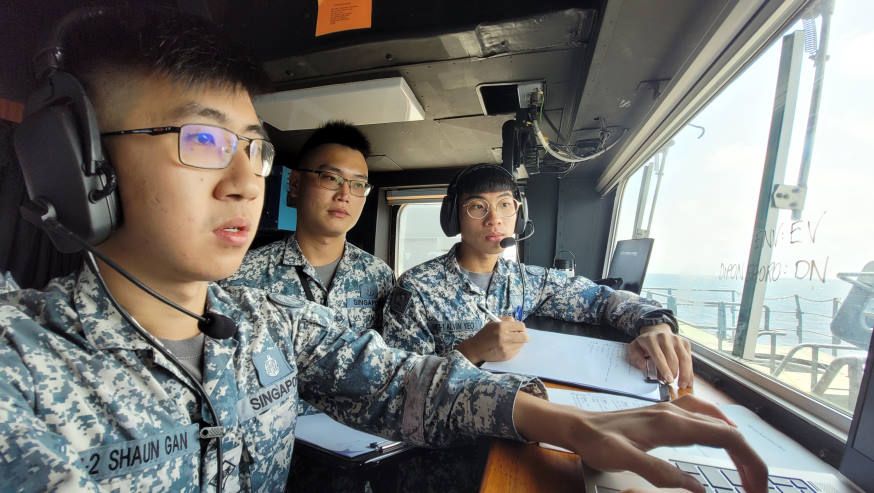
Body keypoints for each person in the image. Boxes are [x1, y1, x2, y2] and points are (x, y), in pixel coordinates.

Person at [0, 6, 766, 493]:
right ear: (79, 169)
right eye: (203, 139)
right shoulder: (21, 360)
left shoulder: (265, 324)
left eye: (255, 149)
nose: (244, 180)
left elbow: (409, 380)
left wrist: (565, 422)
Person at [382, 164, 695, 389]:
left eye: (505, 205)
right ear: (454, 217)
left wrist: (655, 325)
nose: (494, 219)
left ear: (519, 215)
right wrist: (471, 352)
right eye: (478, 207)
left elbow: (602, 298)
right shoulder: (415, 288)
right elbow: (400, 383)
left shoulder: (527, 281)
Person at [222, 121, 392, 334]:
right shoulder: (240, 277)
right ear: (295, 184)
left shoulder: (380, 276)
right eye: (331, 178)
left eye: (358, 184)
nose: (344, 195)